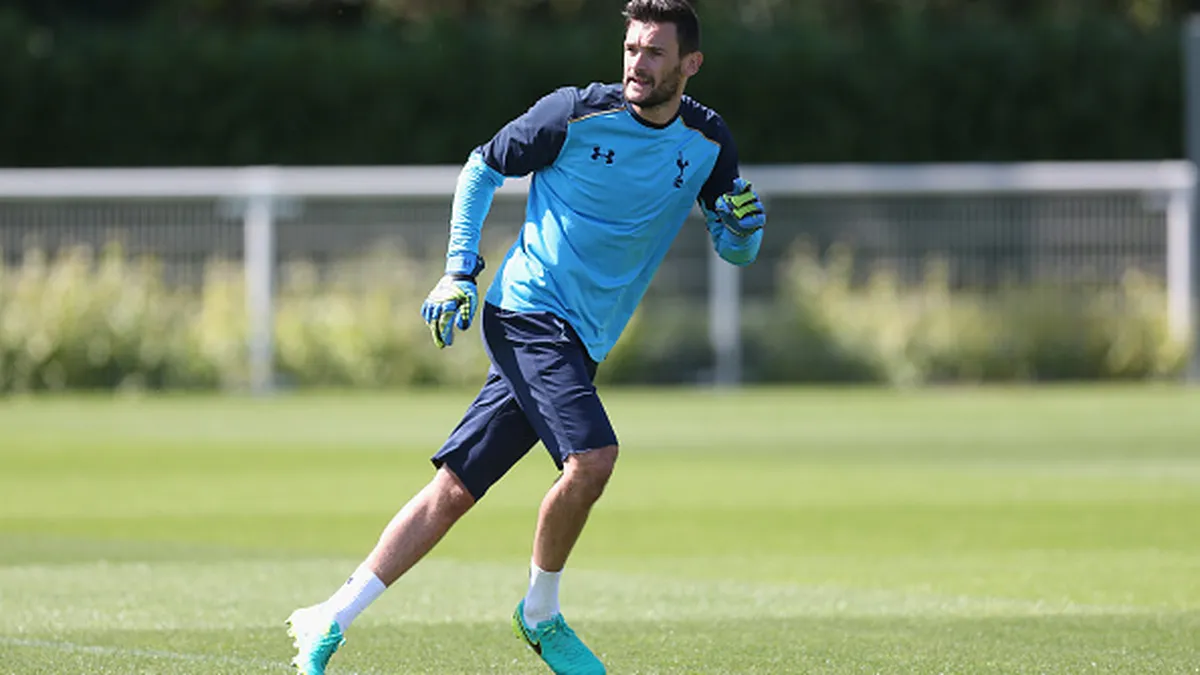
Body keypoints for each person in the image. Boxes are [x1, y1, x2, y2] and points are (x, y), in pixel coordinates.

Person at [284, 1, 765, 673]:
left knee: (455, 489)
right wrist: (459, 270)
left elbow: (735, 245)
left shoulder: (708, 141)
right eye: (631, 48)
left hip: (582, 340)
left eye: (654, 52)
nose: (637, 63)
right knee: (593, 459)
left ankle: (328, 615)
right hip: (528, 313)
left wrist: (744, 232)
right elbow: (481, 167)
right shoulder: (573, 113)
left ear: (691, 63)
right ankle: (540, 614)